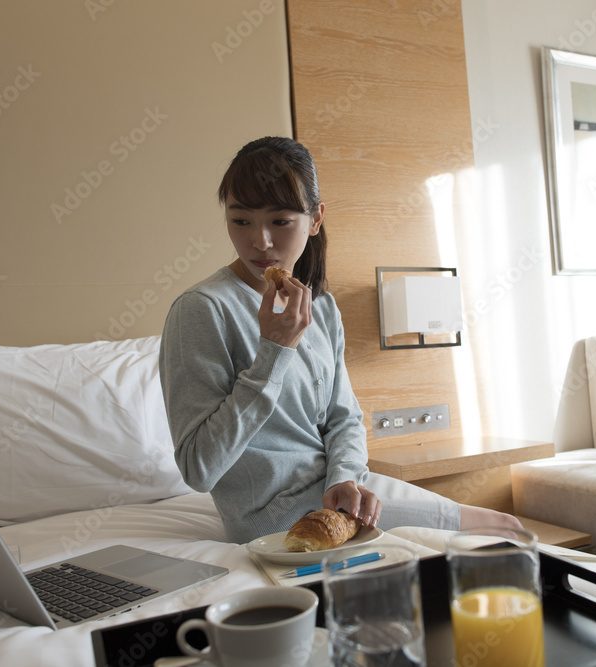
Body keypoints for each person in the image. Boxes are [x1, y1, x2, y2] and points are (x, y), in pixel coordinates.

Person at [159, 136, 521, 544]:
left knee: (507, 525)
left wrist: (344, 477)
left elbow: (343, 418)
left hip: (339, 490)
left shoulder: (322, 306)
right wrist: (274, 354)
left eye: (280, 221)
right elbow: (198, 470)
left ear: (315, 220)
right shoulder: (201, 310)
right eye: (241, 220)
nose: (260, 241)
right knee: (498, 532)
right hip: (276, 514)